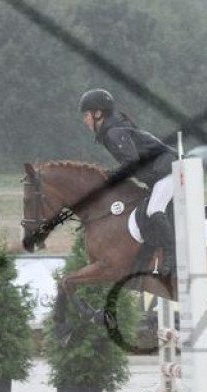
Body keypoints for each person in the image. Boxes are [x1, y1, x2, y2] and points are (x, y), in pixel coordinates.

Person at [79, 88, 177, 276]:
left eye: (86, 115)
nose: (85, 120)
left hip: (170, 172)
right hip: (161, 175)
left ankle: (171, 257)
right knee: (143, 211)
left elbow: (132, 161)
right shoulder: (112, 130)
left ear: (98, 114)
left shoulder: (113, 132)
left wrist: (111, 177)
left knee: (153, 210)